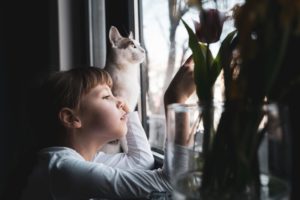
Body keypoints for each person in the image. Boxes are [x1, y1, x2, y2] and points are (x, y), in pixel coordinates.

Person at [6, 57, 195, 200]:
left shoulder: (82, 160)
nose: (120, 101)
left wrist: (126, 115)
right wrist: (175, 103)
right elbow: (171, 184)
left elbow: (141, 162)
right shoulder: (63, 169)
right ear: (71, 118)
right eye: (106, 97)